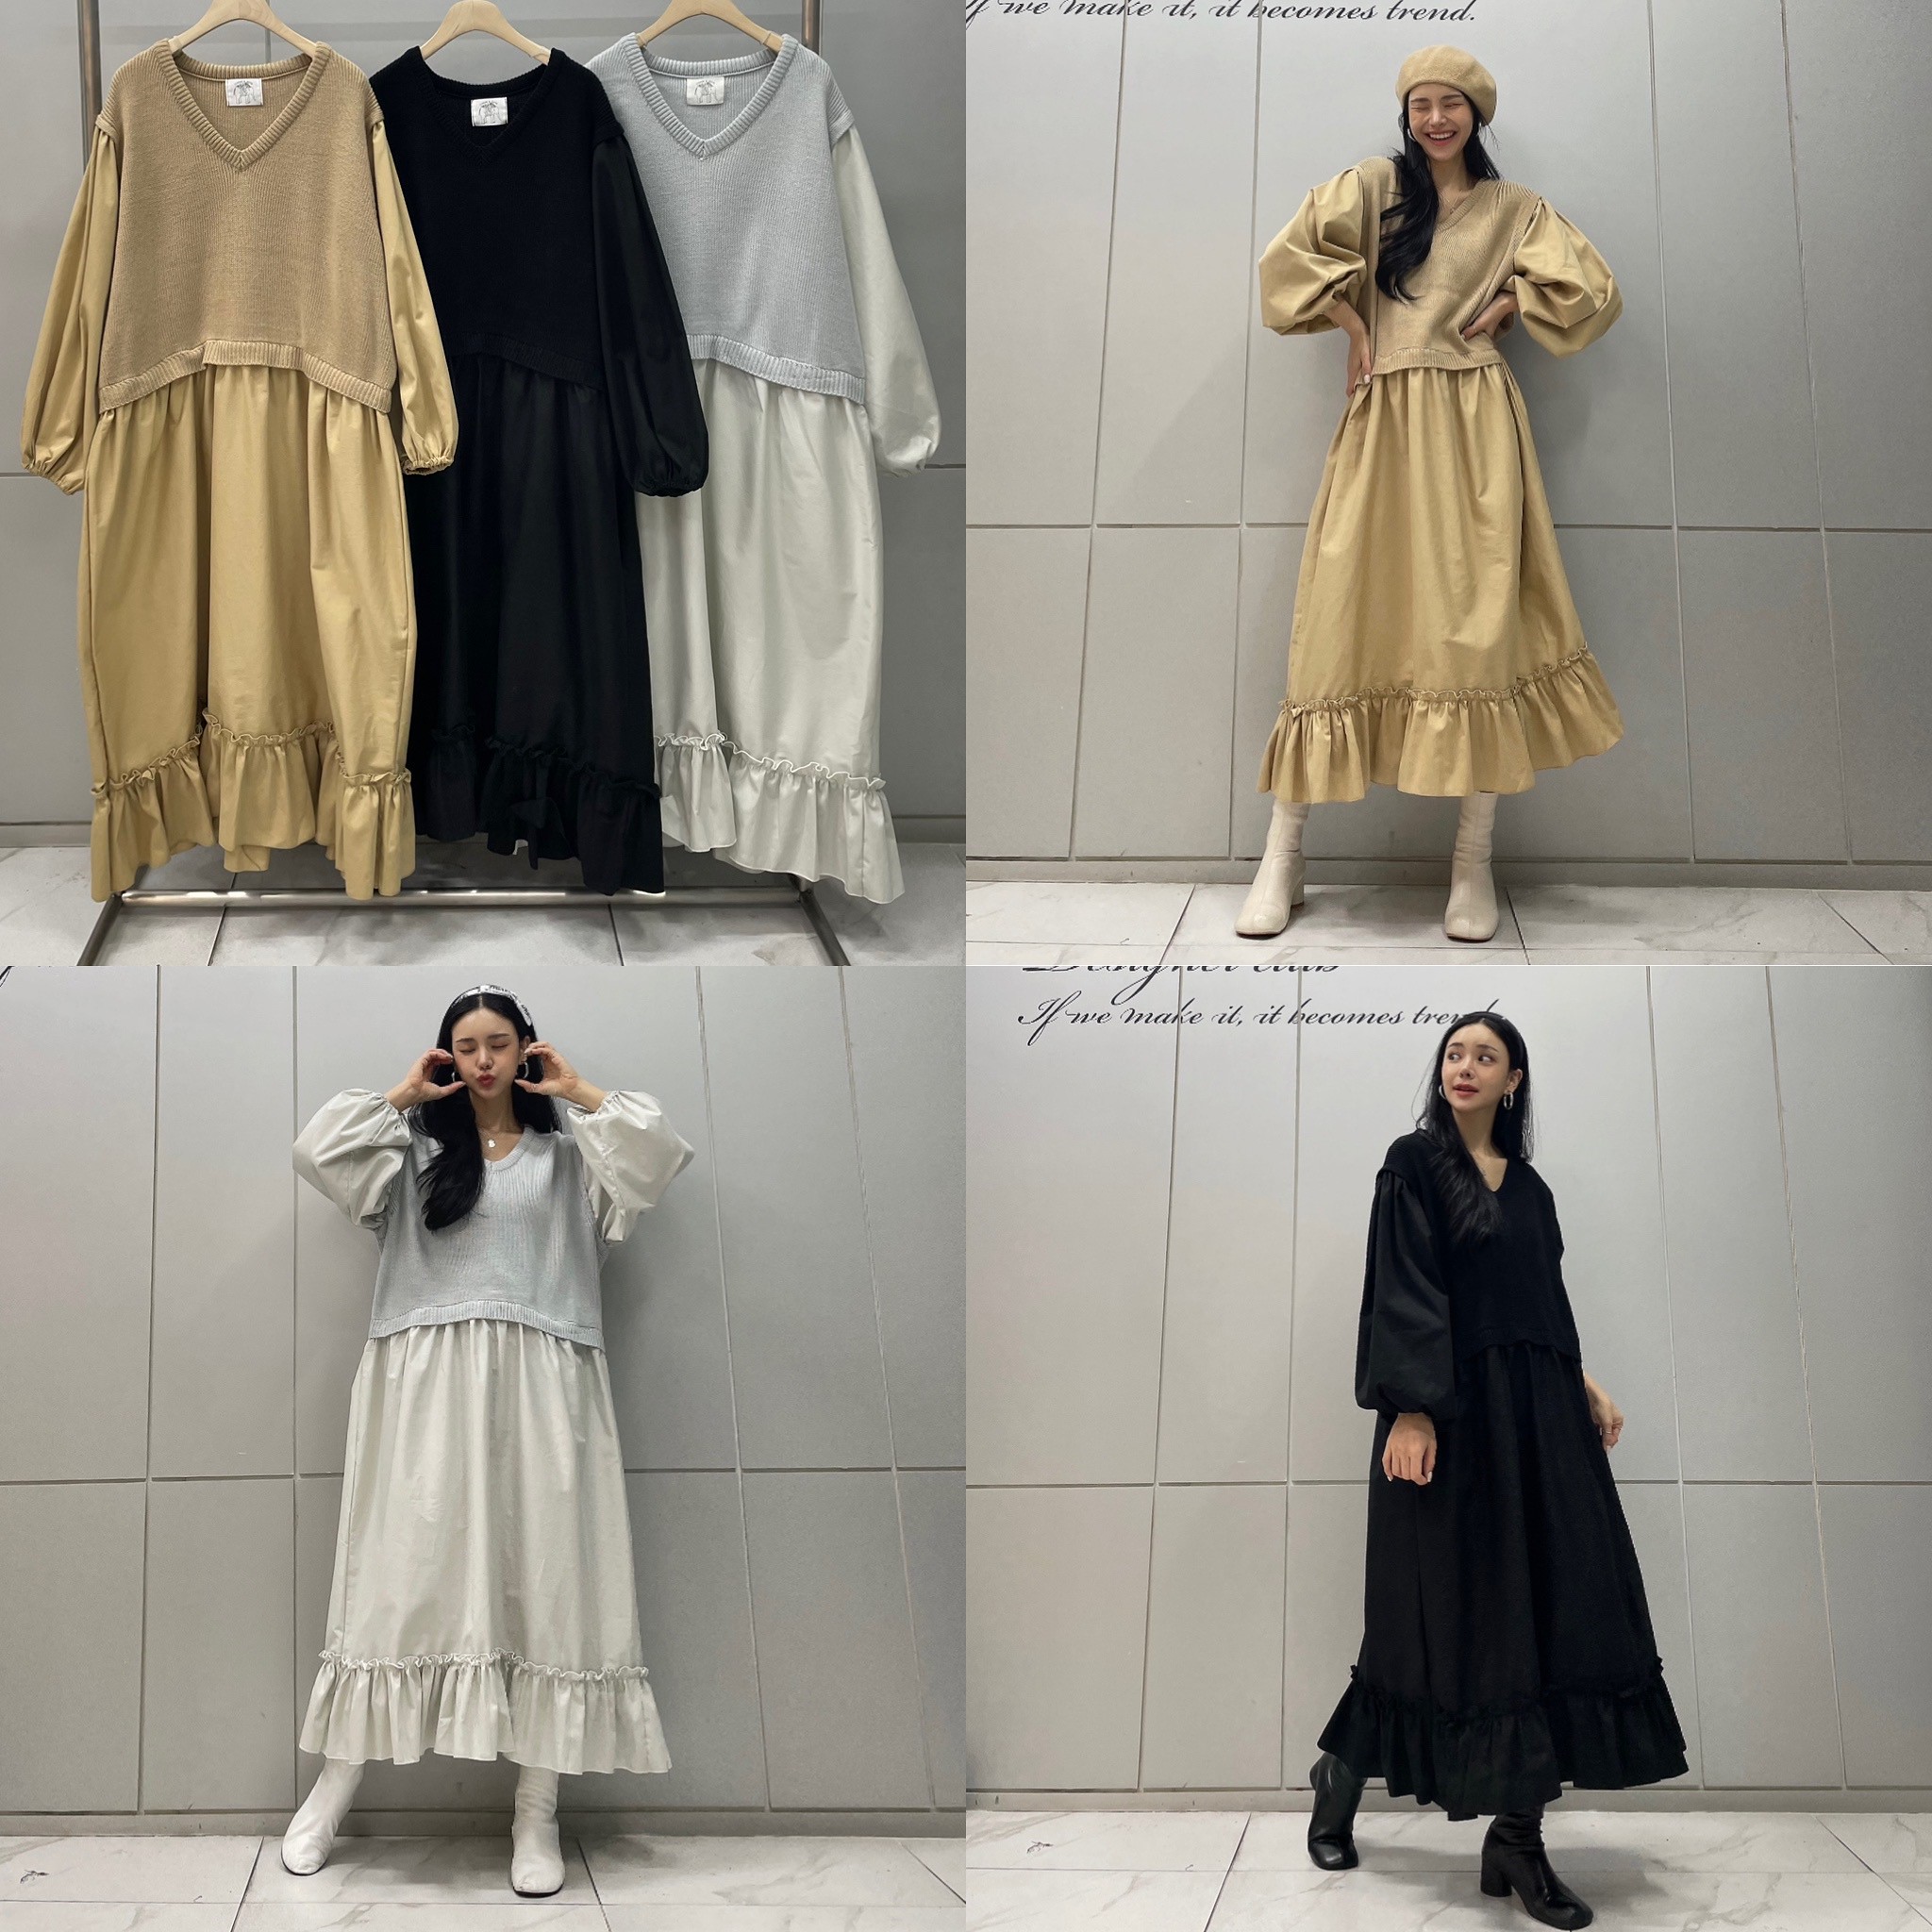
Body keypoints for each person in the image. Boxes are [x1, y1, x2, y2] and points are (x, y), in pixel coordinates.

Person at [283, 985, 692, 1896]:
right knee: (395, 1585)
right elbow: (317, 1150)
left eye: (499, 1043)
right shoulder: (408, 1157)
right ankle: (332, 1790)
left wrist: (578, 1091)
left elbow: (659, 1153)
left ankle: (536, 1812)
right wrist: (403, 1096)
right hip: (423, 1393)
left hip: (547, 1393)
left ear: (526, 1050)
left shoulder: (573, 1158)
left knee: (549, 1586)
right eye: (464, 1046)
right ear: (445, 1057)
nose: (482, 1060)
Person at [1307, 1012, 1687, 1930]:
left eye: (1485, 1055)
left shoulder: (1532, 1188)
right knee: (1427, 1622)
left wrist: (1581, 1380)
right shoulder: (1412, 1163)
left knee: (1552, 1614)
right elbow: (1400, 1286)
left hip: (1539, 1417)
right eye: (1453, 1052)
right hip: (1449, 1418)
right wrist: (1408, 1407)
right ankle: (1339, 1775)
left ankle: (1517, 1836)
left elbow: (1539, 1295)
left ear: (1513, 1079)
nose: (1464, 1066)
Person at [1240, 47, 1624, 944]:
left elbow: (1593, 292)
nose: (1436, 119)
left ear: (1477, 115)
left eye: (1453, 103)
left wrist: (1514, 301)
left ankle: (1471, 860)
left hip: (1477, 430)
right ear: (1405, 113)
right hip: (1383, 421)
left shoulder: (1515, 209)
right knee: (1336, 624)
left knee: (1478, 632)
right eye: (1421, 104)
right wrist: (1351, 322)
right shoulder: (1374, 189)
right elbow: (1286, 263)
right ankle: (1283, 855)